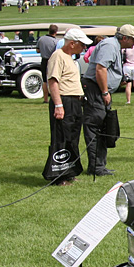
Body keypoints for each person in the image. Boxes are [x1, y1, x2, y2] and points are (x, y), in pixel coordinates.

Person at [82, 24, 134, 176]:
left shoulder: (115, 46)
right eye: (133, 40)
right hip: (96, 90)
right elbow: (100, 69)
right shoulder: (109, 45)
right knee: (96, 126)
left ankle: (99, 165)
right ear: (124, 38)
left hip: (101, 90)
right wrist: (104, 92)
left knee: (104, 126)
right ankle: (96, 167)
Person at [44, 28, 92, 184]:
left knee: (72, 137)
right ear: (72, 43)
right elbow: (53, 81)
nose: (84, 48)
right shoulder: (58, 56)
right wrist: (58, 104)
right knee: (62, 137)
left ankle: (70, 172)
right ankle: (58, 175)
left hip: (75, 102)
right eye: (82, 45)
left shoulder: (70, 58)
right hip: (65, 100)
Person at [37, 24, 59, 103]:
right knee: (53, 79)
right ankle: (54, 98)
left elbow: (37, 50)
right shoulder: (56, 41)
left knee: (45, 80)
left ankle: (45, 99)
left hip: (44, 60)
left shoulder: (41, 39)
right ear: (56, 32)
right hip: (52, 61)